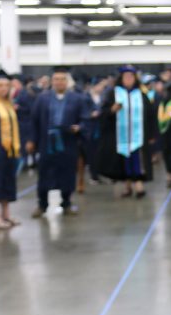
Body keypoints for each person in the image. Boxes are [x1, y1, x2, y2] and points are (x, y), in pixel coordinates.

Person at [28, 67, 88, 217]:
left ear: (67, 82)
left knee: (67, 174)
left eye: (62, 79)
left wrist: (79, 127)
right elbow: (34, 121)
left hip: (68, 142)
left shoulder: (76, 98)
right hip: (47, 143)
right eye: (56, 79)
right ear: (51, 81)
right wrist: (31, 140)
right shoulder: (43, 98)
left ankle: (66, 202)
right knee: (44, 174)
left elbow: (85, 119)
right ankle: (42, 204)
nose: (59, 82)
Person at [96, 65, 159, 199]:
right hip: (119, 136)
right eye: (126, 77)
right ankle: (127, 186)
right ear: (121, 78)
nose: (129, 79)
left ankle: (139, 185)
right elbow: (103, 114)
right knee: (123, 161)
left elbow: (151, 115)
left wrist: (152, 134)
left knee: (138, 160)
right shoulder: (113, 94)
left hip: (139, 136)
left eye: (131, 77)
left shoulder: (142, 95)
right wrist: (112, 110)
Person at [0, 69, 21, 229]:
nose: (3, 88)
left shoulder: (7, 104)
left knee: (8, 181)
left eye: (6, 85)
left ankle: (6, 215)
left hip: (10, 150)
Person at [77, 77, 106, 191]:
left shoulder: (101, 97)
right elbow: (83, 113)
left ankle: (97, 174)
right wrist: (91, 115)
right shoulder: (85, 98)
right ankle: (93, 176)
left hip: (98, 129)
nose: (102, 88)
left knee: (98, 153)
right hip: (89, 129)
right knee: (90, 154)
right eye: (100, 86)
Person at [12, 74, 38, 170]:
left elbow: (31, 109)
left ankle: (28, 163)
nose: (12, 85)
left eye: (14, 83)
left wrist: (19, 108)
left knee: (27, 143)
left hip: (26, 122)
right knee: (23, 144)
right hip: (21, 122)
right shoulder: (17, 93)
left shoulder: (25, 93)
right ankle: (26, 162)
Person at [157, 81, 171, 188]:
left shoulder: (163, 102)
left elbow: (161, 118)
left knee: (167, 154)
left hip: (164, 132)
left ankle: (169, 177)